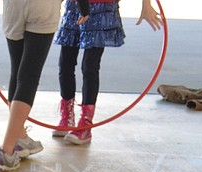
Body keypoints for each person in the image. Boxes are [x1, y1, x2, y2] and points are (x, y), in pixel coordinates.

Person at [0, 0, 90, 172]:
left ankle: (21, 137)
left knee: (17, 73)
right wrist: (83, 8)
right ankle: (6, 151)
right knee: (28, 76)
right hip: (43, 7)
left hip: (13, 8)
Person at [53, 0, 163, 143]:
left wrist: (146, 5)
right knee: (65, 63)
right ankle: (67, 116)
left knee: (89, 66)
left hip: (102, 8)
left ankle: (86, 123)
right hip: (76, 5)